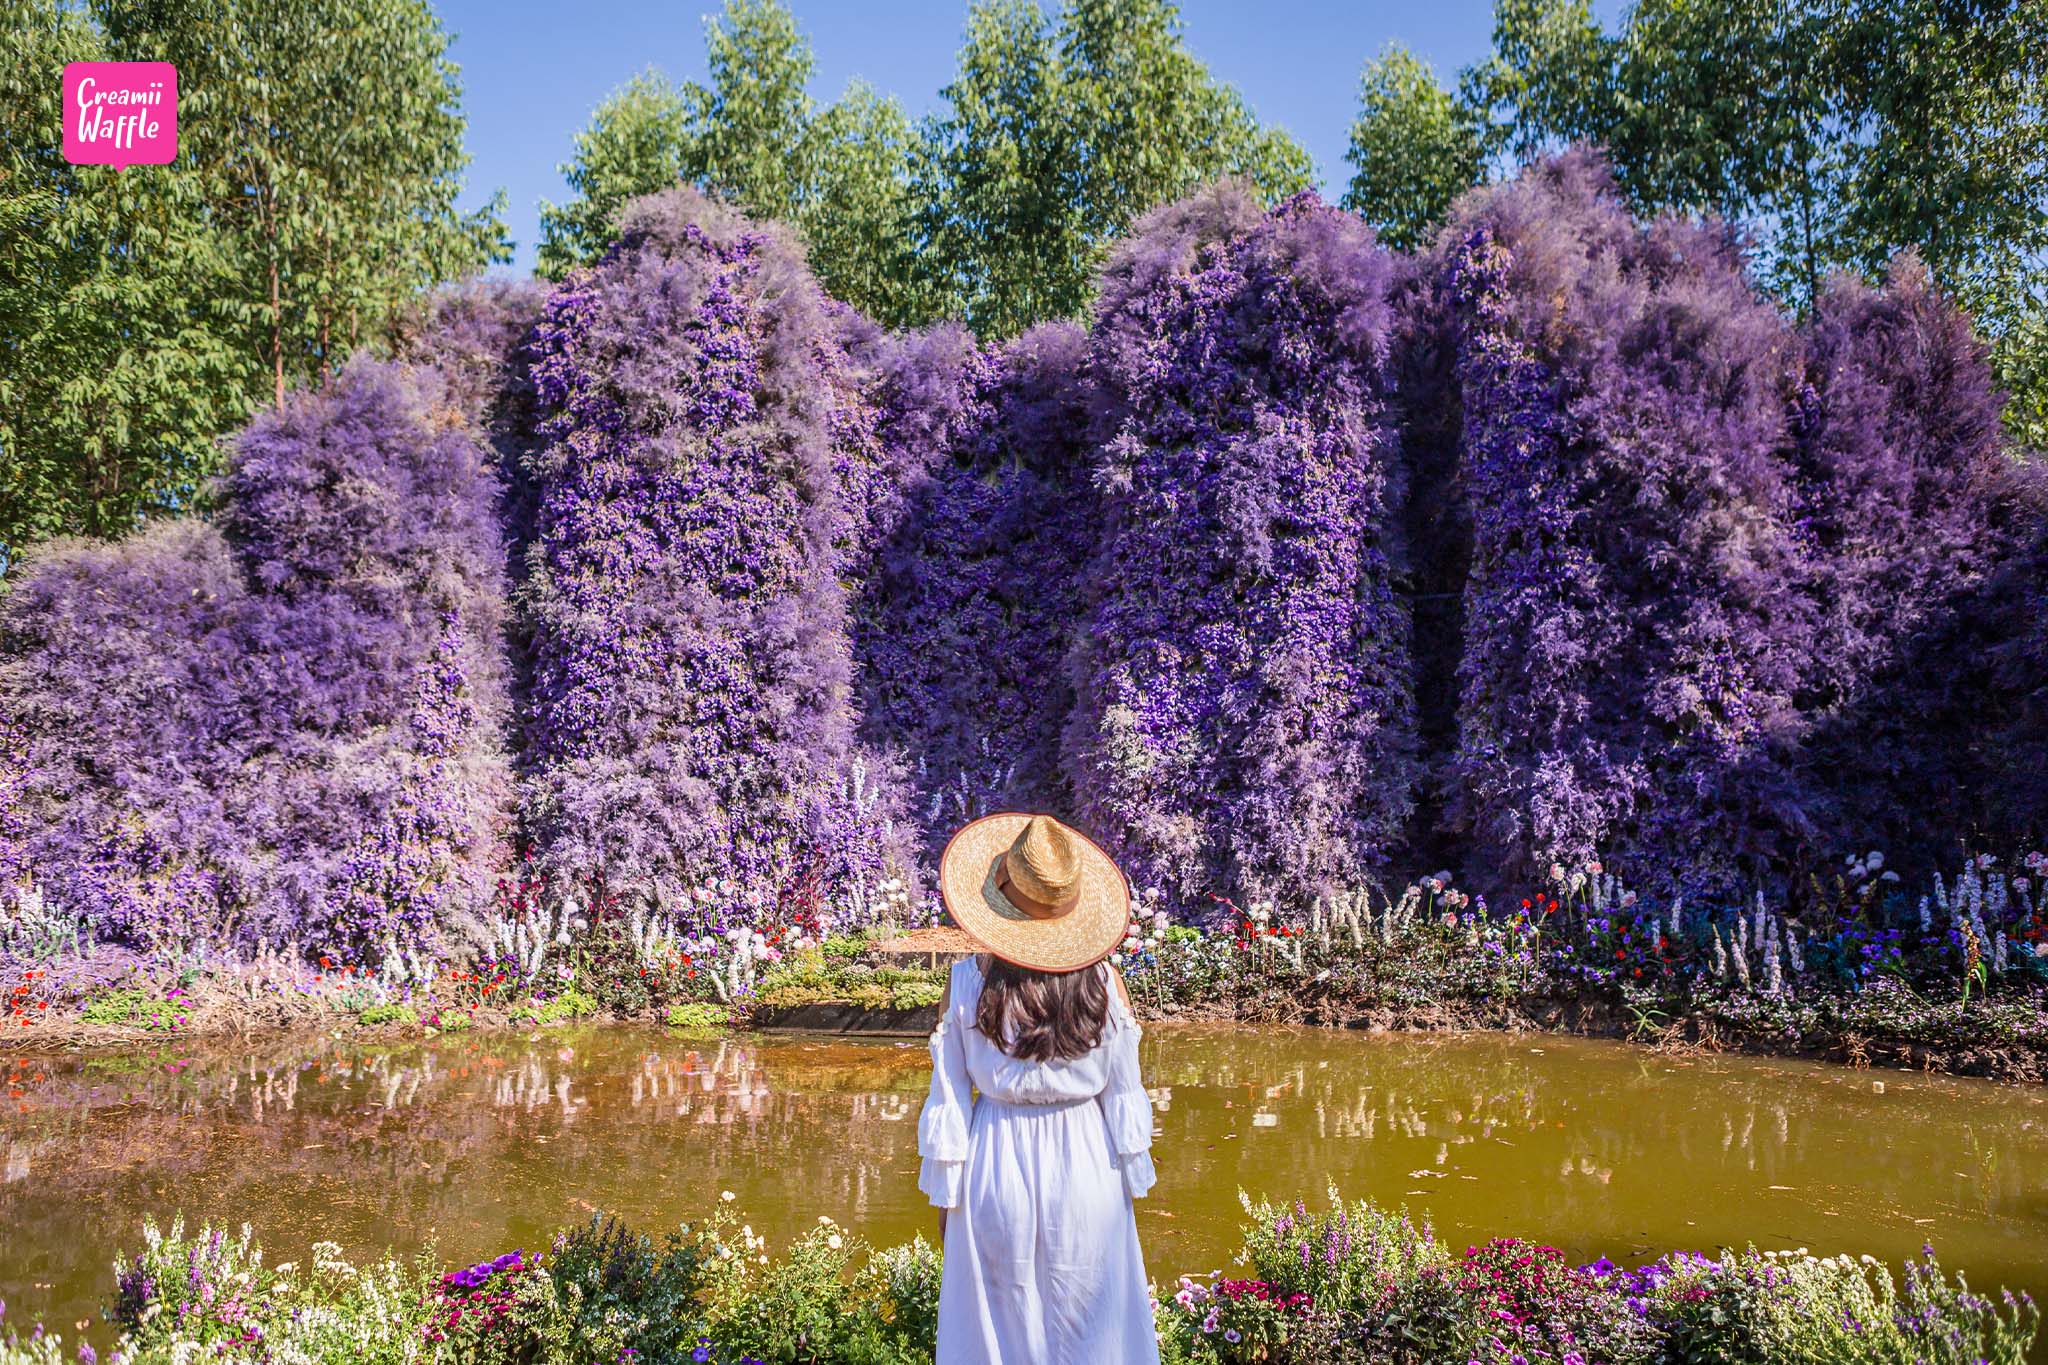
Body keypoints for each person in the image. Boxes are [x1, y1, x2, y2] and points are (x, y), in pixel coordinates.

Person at [916, 812, 1159, 1364]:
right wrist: (1128, 1178)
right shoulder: (1104, 983)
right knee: (1091, 1330)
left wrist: (946, 1197)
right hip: (1088, 1168)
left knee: (997, 1329)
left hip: (996, 1165)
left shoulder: (966, 983)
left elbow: (950, 1098)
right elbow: (1123, 1093)